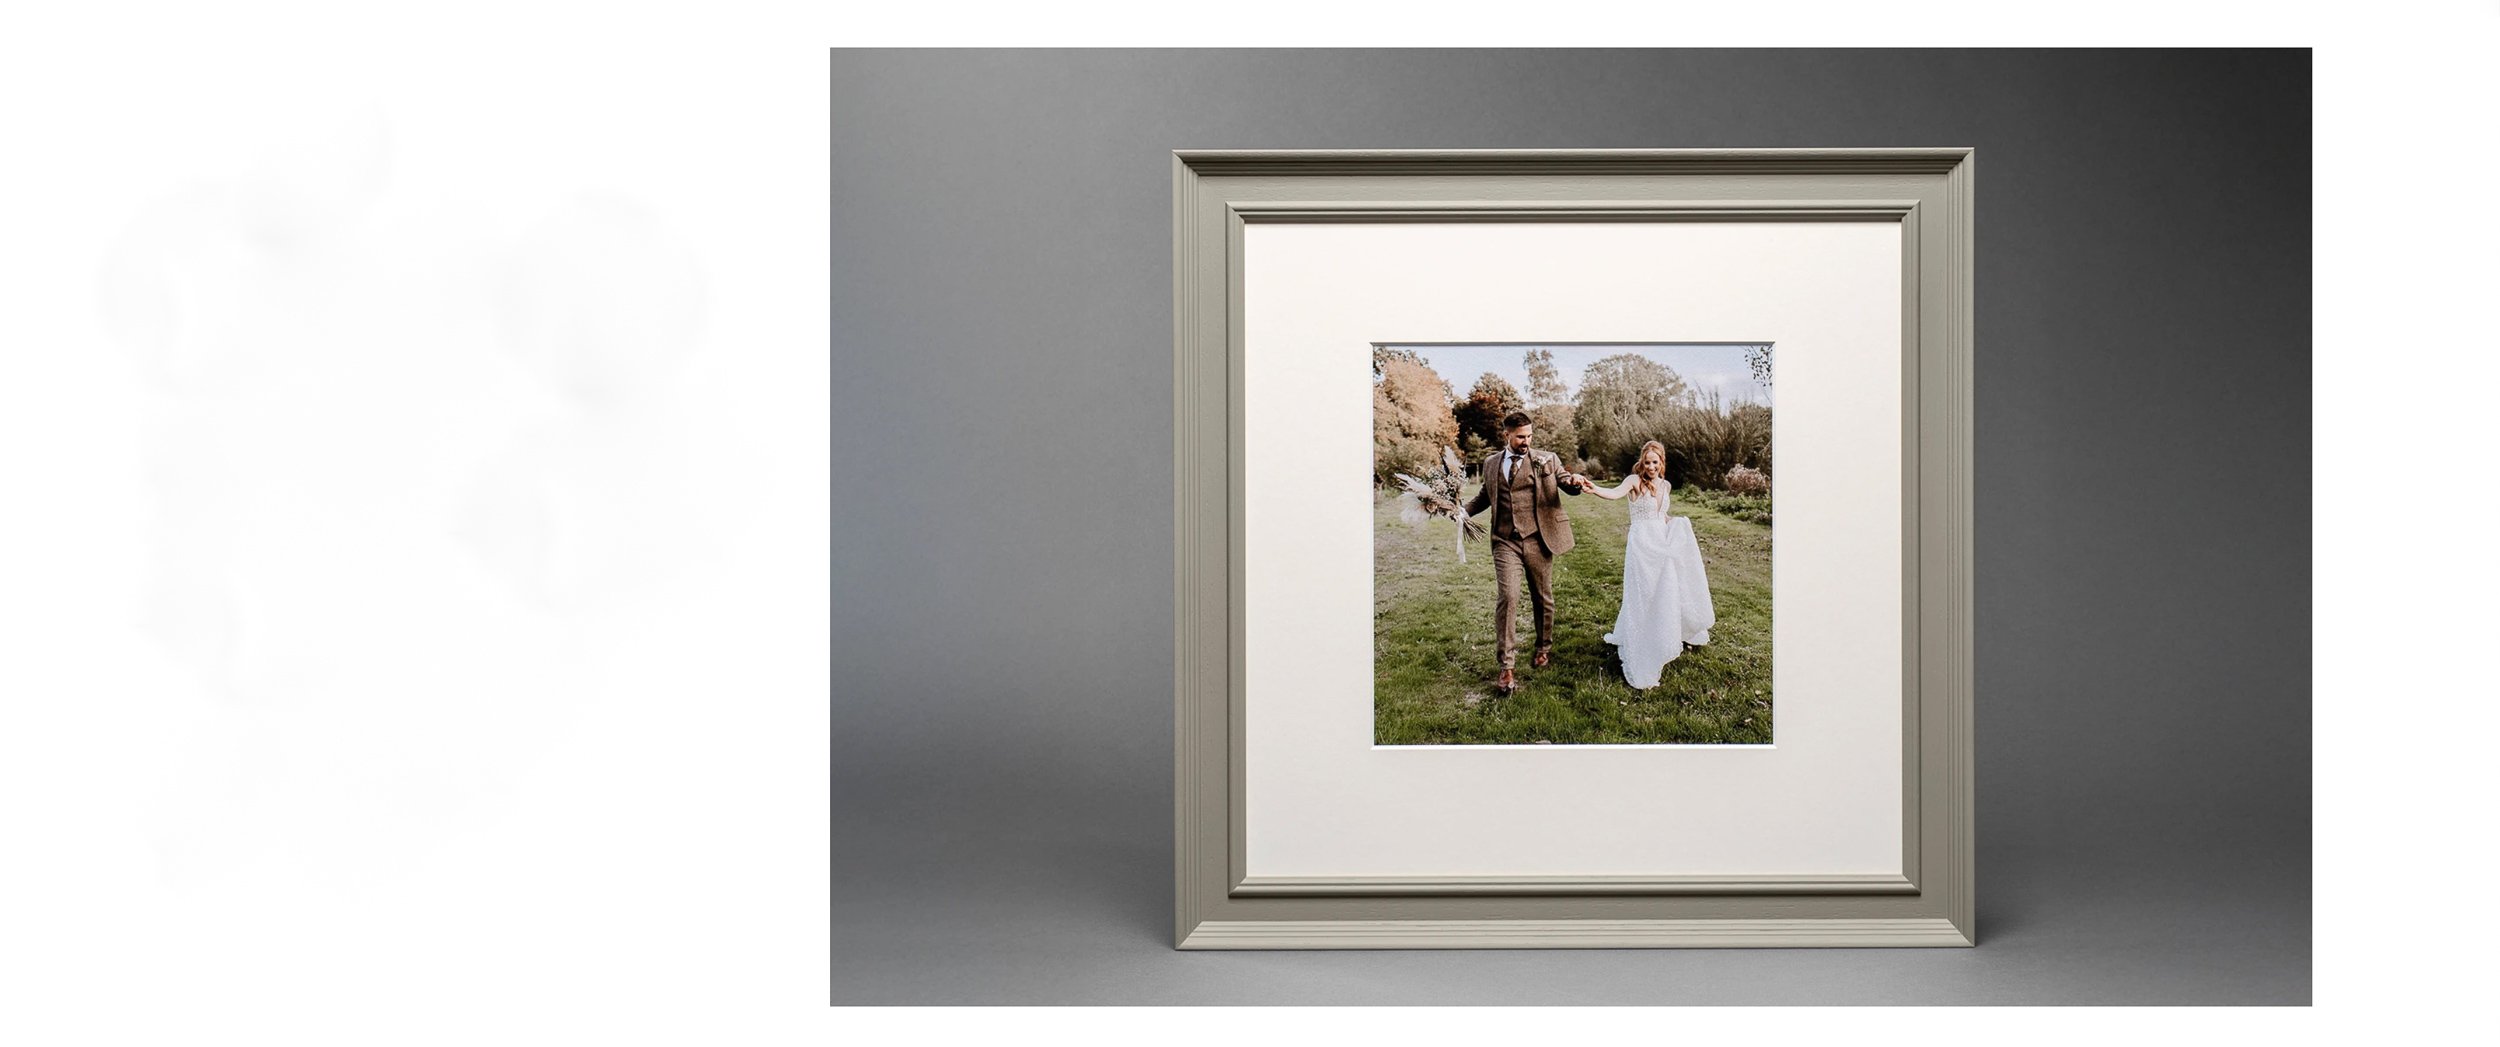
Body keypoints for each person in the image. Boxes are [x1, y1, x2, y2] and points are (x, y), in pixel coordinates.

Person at [1460, 412, 1589, 695]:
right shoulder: (1492, 463)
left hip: (1538, 539)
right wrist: (1462, 512)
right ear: (1506, 435)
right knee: (1508, 597)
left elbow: (1565, 481)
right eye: (1520, 437)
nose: (1526, 442)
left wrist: (1575, 482)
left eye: (1529, 436)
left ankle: (1543, 647)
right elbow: (1485, 495)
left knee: (1542, 597)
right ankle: (1506, 666)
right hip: (1505, 540)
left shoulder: (1547, 459)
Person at [1577, 440, 1716, 689]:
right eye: (1648, 462)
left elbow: (1661, 515)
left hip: (1661, 543)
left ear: (1661, 462)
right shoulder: (1633, 482)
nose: (1651, 466)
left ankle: (1667, 631)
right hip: (1642, 544)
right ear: (1642, 461)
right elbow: (1614, 494)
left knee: (1665, 588)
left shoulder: (1667, 486)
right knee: (1643, 592)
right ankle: (1641, 640)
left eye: (1656, 462)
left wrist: (1678, 524)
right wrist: (1594, 488)